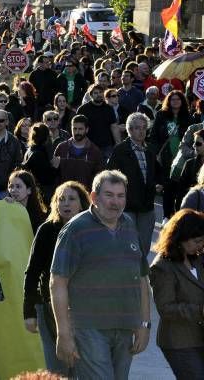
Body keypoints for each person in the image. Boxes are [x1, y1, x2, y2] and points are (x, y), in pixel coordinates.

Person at [50, 170, 152, 379]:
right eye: (109, 195)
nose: (115, 202)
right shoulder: (75, 230)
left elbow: (142, 278)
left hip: (125, 327)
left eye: (120, 195)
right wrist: (64, 333)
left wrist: (144, 324)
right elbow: (57, 282)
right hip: (89, 330)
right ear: (94, 197)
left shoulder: (130, 226)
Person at [23, 182, 91, 376]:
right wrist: (29, 312)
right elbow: (32, 272)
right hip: (48, 309)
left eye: (71, 199)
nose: (66, 203)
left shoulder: (91, 231)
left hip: (85, 311)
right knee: (57, 370)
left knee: (84, 368)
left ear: (82, 204)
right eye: (61, 199)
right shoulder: (46, 230)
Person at [148, 209, 204, 378]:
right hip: (179, 341)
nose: (201, 245)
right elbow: (166, 308)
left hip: (199, 336)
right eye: (197, 241)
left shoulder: (197, 258)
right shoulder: (162, 267)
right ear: (181, 238)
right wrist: (199, 310)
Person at [106, 112, 162, 259]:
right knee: (126, 245)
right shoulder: (120, 150)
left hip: (146, 206)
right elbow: (109, 176)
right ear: (129, 130)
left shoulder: (150, 149)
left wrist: (159, 184)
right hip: (126, 206)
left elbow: (158, 172)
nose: (141, 131)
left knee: (143, 247)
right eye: (137, 128)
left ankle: (142, 277)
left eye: (144, 128)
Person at [152, 90, 192, 222]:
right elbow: (154, 136)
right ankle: (166, 216)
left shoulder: (188, 117)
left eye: (178, 99)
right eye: (172, 99)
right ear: (168, 101)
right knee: (168, 186)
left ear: (182, 101)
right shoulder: (161, 115)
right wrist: (156, 152)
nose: (175, 101)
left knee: (181, 187)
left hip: (182, 157)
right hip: (166, 156)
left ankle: (178, 216)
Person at [53, 114, 103, 190]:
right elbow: (54, 174)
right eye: (74, 129)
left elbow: (98, 178)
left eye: (80, 129)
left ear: (87, 129)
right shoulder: (61, 148)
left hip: (85, 196)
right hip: (64, 195)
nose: (77, 132)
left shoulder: (94, 151)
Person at [77, 84, 120, 159]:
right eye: (95, 93)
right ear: (91, 95)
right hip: (88, 145)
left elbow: (114, 127)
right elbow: (77, 127)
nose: (99, 95)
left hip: (106, 146)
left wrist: (118, 143)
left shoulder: (109, 109)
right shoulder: (83, 109)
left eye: (100, 92)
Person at [21, 122, 59, 206]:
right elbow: (46, 179)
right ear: (46, 137)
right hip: (42, 195)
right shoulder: (39, 154)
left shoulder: (30, 150)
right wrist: (55, 167)